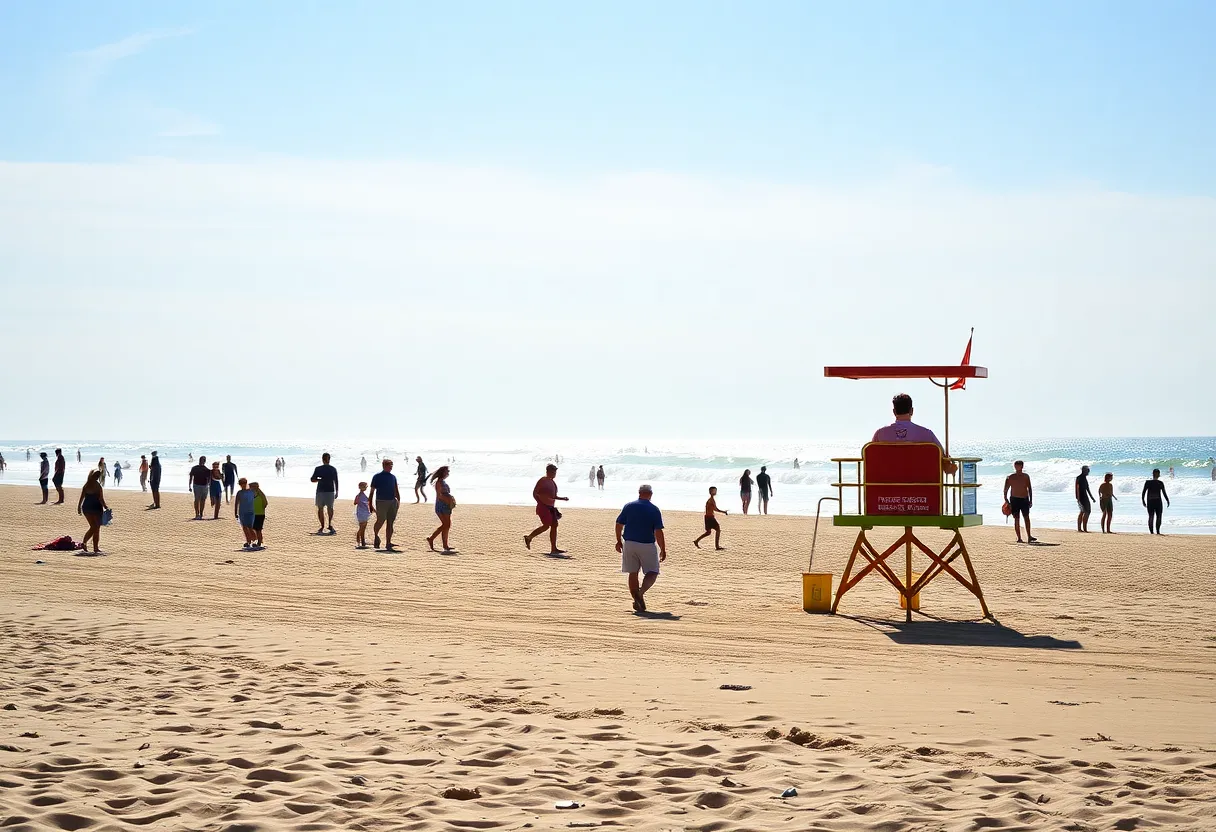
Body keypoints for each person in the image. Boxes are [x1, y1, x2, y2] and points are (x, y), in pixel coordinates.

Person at [872, 393, 957, 474]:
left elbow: (872, 460)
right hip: (921, 487)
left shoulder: (880, 434)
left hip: (886, 486)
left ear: (894, 412)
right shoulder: (927, 434)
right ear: (911, 411)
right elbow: (945, 463)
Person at [616, 484, 667, 613]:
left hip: (629, 543)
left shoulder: (629, 506)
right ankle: (640, 593)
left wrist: (618, 541)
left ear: (639, 493)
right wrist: (663, 549)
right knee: (653, 572)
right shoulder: (654, 509)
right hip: (646, 544)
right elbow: (658, 531)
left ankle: (637, 601)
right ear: (650, 494)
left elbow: (619, 524)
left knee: (633, 572)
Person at [524, 463, 569, 554]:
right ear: (547, 472)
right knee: (546, 525)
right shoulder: (543, 480)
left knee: (554, 525)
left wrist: (562, 499)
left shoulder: (552, 482)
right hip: (543, 507)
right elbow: (535, 493)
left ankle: (553, 548)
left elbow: (553, 496)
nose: (554, 474)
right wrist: (540, 502)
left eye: (555, 472)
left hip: (550, 507)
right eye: (552, 472)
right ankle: (529, 538)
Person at [368, 459, 401, 551]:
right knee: (380, 520)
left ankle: (388, 543)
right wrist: (370, 504)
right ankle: (376, 536)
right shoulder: (377, 477)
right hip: (381, 501)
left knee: (390, 523)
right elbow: (371, 492)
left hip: (392, 501)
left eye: (392, 465)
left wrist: (398, 500)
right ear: (384, 466)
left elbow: (396, 490)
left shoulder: (393, 477)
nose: (391, 467)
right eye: (389, 465)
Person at [1002, 461, 1037, 543]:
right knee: (1016, 519)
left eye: (1019, 466)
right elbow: (1005, 490)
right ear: (1014, 466)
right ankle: (1019, 538)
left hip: (1024, 499)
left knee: (1026, 518)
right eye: (1016, 466)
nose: (1018, 467)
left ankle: (1029, 536)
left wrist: (1031, 500)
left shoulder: (1026, 476)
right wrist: (1006, 500)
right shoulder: (1010, 477)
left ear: (1022, 466)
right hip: (1014, 500)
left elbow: (1029, 488)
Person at [77, 470, 108, 554]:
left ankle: (85, 543)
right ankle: (94, 547)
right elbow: (101, 499)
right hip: (96, 508)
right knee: (96, 528)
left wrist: (79, 507)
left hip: (86, 508)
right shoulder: (98, 486)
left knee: (93, 527)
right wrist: (106, 507)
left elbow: (82, 497)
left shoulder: (86, 485)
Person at [427, 466, 456, 552]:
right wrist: (448, 500)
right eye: (447, 471)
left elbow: (446, 492)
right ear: (443, 472)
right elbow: (440, 495)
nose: (448, 473)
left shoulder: (443, 482)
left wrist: (450, 500)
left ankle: (445, 545)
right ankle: (431, 538)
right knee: (445, 525)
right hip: (441, 505)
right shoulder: (439, 482)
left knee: (447, 525)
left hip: (446, 505)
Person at [310, 452, 339, 534]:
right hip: (329, 490)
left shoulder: (318, 469)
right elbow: (336, 481)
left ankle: (322, 526)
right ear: (329, 459)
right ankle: (329, 524)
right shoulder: (333, 469)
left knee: (321, 509)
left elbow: (312, 479)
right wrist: (337, 491)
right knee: (330, 508)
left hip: (321, 491)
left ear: (322, 459)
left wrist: (319, 479)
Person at [1142, 469, 1170, 534]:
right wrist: (1167, 500)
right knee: (1158, 516)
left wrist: (1143, 500)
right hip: (1158, 502)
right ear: (1159, 475)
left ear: (1152, 474)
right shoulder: (1160, 483)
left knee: (1151, 516)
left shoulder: (1148, 482)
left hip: (1150, 501)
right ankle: (1157, 531)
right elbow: (1164, 493)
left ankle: (1152, 532)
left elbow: (1143, 493)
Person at [235, 478, 257, 549]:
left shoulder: (252, 491)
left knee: (251, 527)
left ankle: (255, 541)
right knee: (244, 527)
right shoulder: (239, 493)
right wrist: (235, 512)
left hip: (251, 511)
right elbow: (236, 503)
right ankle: (248, 541)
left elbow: (257, 487)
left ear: (246, 483)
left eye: (244, 484)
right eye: (241, 484)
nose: (242, 485)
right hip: (242, 512)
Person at [1075, 465, 1096, 533]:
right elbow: (1077, 488)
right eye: (1087, 470)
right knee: (1084, 511)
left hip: (1085, 496)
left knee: (1086, 511)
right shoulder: (1079, 478)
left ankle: (1084, 528)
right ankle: (1080, 528)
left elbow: (1087, 489)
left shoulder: (1084, 478)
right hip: (1081, 497)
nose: (1088, 472)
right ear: (1084, 470)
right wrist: (1078, 498)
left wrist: (1092, 497)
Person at [354, 482, 373, 549]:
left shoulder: (362, 495)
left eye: (365, 487)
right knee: (362, 527)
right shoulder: (359, 496)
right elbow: (355, 502)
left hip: (364, 512)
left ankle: (359, 540)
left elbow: (369, 504)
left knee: (362, 527)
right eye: (364, 487)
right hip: (361, 512)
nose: (365, 488)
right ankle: (362, 542)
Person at [251, 481, 268, 548]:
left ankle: (259, 542)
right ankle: (255, 541)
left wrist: (262, 508)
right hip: (252, 514)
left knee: (258, 529)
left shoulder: (261, 494)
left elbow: (265, 503)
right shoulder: (251, 495)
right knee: (253, 528)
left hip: (260, 514)